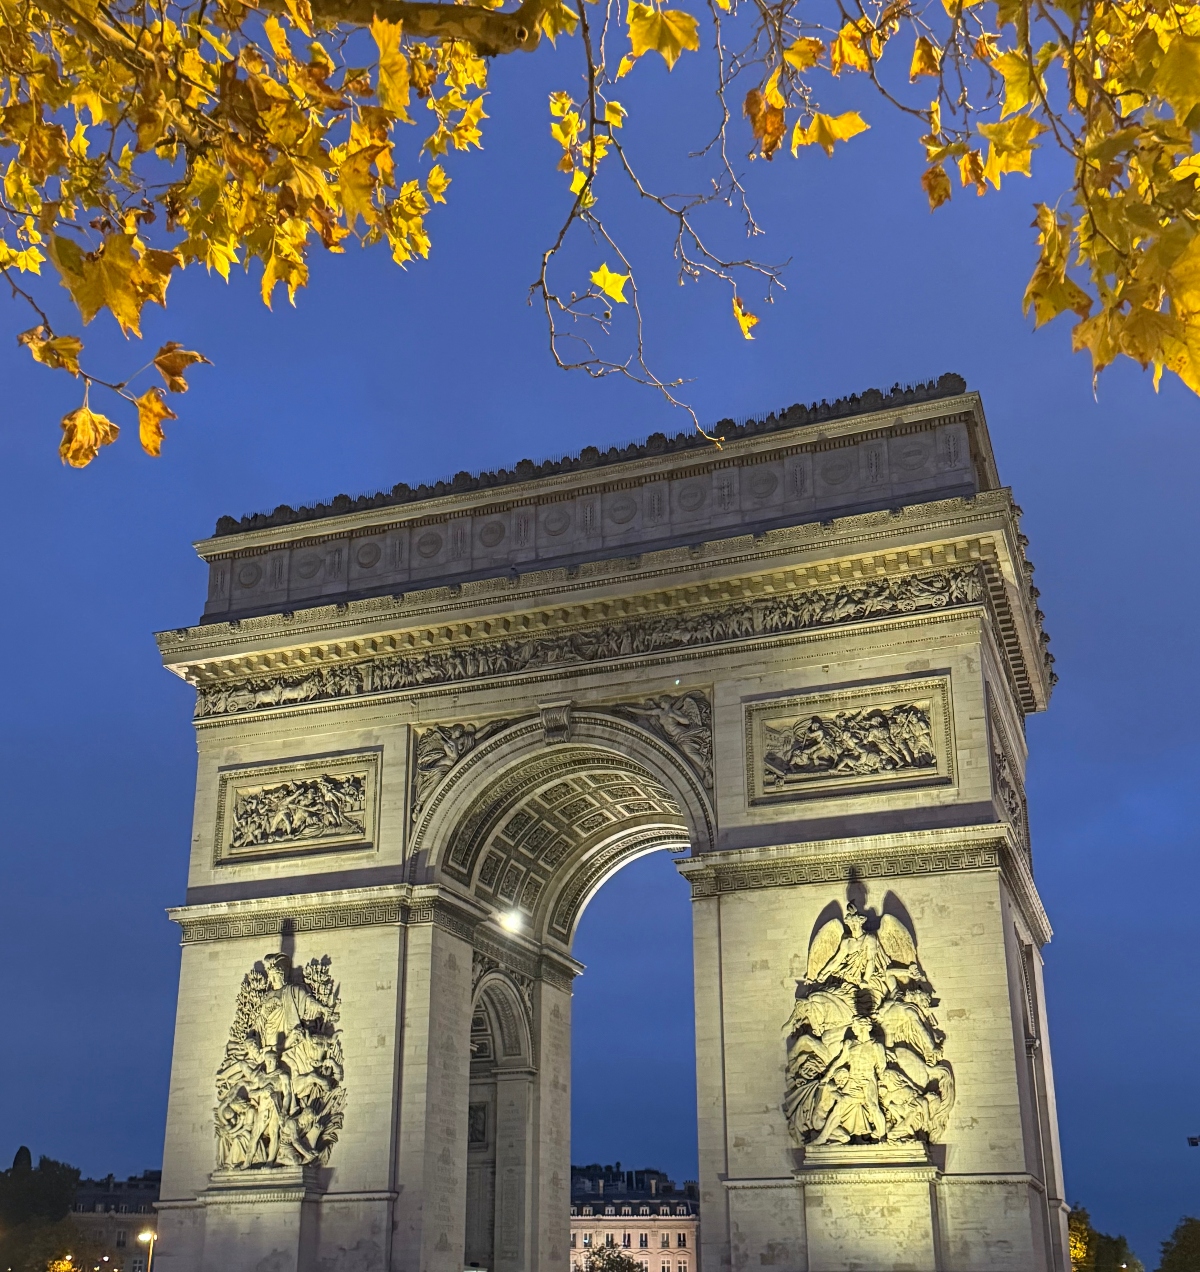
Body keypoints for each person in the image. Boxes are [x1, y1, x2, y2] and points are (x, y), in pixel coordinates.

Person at [811, 1017, 888, 1145]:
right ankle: (823, 1137)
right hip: (853, 1080)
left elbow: (881, 1067)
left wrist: (882, 1084)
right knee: (838, 1108)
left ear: (863, 1027)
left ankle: (882, 1136)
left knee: (874, 1107)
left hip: (868, 1080)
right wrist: (827, 1076)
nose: (853, 1028)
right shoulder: (850, 1044)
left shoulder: (876, 1046)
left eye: (855, 1026)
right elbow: (839, 1061)